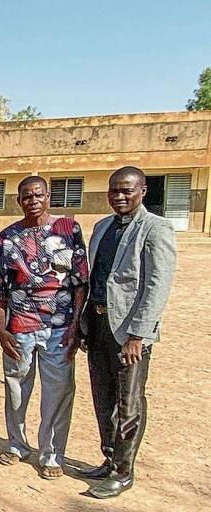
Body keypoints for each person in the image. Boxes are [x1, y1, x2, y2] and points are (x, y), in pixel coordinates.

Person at [79, 166, 176, 499]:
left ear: (142, 191)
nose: (119, 197)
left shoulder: (156, 229)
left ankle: (123, 471)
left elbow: (156, 286)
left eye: (126, 191)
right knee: (102, 399)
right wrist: (84, 323)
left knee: (129, 404)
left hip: (129, 333)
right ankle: (108, 459)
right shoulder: (102, 226)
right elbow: (95, 279)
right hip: (98, 325)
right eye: (114, 191)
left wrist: (139, 335)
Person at [0, 176, 88, 480]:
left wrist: (76, 326)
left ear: (47, 196)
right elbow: (0, 286)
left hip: (60, 327)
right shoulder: (8, 236)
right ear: (19, 201)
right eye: (26, 196)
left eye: (38, 195)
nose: (32, 200)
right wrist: (1, 329)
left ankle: (51, 455)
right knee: (16, 388)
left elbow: (80, 282)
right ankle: (17, 445)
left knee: (57, 392)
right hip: (19, 326)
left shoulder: (69, 229)